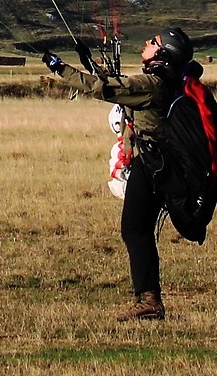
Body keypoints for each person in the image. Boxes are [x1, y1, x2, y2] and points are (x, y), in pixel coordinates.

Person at [48, 27, 196, 322]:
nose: (145, 43)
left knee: (134, 229)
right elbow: (115, 84)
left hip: (151, 166)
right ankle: (148, 298)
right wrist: (90, 63)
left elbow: (105, 89)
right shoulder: (169, 82)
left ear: (163, 54)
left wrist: (59, 68)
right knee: (138, 230)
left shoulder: (152, 84)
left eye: (153, 42)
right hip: (161, 164)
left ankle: (149, 299)